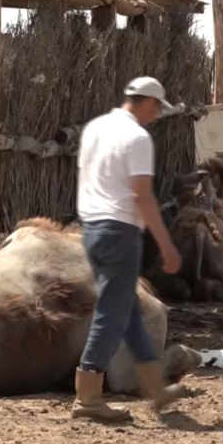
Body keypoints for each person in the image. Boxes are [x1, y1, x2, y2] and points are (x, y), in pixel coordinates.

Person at [73, 77, 184, 422]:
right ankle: (88, 396)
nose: (155, 116)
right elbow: (142, 195)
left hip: (91, 230)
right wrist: (166, 245)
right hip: (120, 231)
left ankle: (154, 386)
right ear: (149, 103)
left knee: (127, 308)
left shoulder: (94, 128)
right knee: (111, 311)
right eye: (156, 109)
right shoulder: (138, 138)